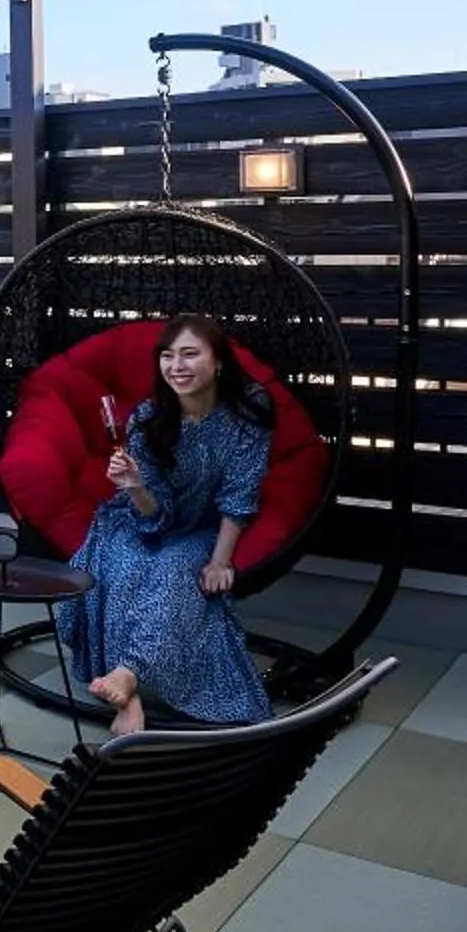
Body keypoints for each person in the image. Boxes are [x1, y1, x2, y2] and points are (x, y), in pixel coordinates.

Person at [58, 314, 275, 735]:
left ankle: (127, 674)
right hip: (135, 521)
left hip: (198, 530)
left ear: (218, 363)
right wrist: (135, 484)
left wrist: (219, 562)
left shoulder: (249, 412)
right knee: (122, 569)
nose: (177, 366)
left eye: (190, 354)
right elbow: (149, 513)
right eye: (168, 356)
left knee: (173, 573)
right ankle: (130, 694)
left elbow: (241, 494)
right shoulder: (147, 417)